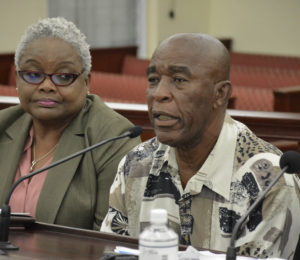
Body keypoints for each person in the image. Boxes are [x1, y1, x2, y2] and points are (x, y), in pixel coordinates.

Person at [100, 33, 300, 259]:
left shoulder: (269, 180)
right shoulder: (136, 163)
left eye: (179, 80)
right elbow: (112, 254)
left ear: (220, 94)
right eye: (153, 80)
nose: (159, 93)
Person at [0, 17, 140, 230]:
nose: (46, 86)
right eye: (33, 74)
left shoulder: (113, 138)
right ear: (18, 80)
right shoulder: (5, 125)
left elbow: (108, 241)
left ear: (86, 82)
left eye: (63, 76)